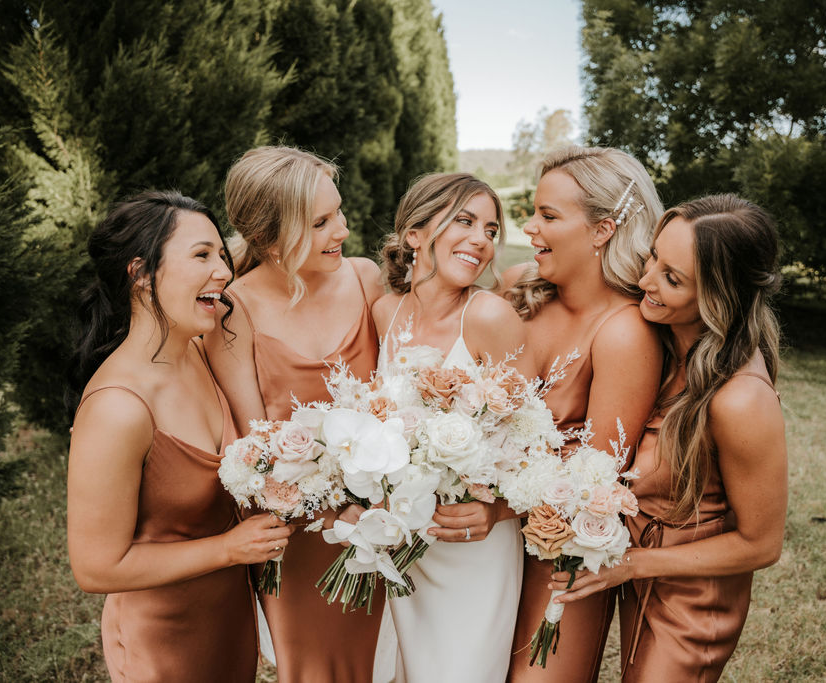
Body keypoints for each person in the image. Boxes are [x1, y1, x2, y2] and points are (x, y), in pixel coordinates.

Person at [550, 194, 788, 681]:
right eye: (654, 256)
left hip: (693, 595)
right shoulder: (659, 344)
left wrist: (634, 564)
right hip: (638, 568)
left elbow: (761, 545)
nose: (645, 280)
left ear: (719, 299)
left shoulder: (739, 400)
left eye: (672, 279)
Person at [67, 191, 292, 682]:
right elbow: (95, 568)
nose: (224, 272)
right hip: (164, 643)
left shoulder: (198, 349)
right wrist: (231, 549)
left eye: (221, 254)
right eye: (201, 255)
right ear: (141, 274)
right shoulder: (117, 408)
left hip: (229, 620)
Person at [203, 146, 385, 683]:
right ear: (268, 238)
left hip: (388, 514)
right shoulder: (234, 309)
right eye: (322, 222)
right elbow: (249, 441)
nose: (343, 231)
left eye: (340, 213)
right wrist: (324, 504)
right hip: (299, 529)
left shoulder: (365, 278)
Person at [502, 146, 663, 682]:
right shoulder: (519, 287)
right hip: (480, 541)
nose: (530, 227)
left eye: (549, 216)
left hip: (560, 551)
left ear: (602, 230)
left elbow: (596, 475)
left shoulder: (624, 332)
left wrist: (494, 505)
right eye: (533, 211)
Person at [374, 172, 532, 683]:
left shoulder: (490, 316)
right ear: (416, 233)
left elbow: (533, 440)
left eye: (490, 229)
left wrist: (496, 509)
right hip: (401, 541)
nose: (481, 240)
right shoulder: (383, 313)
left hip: (471, 546)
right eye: (464, 221)